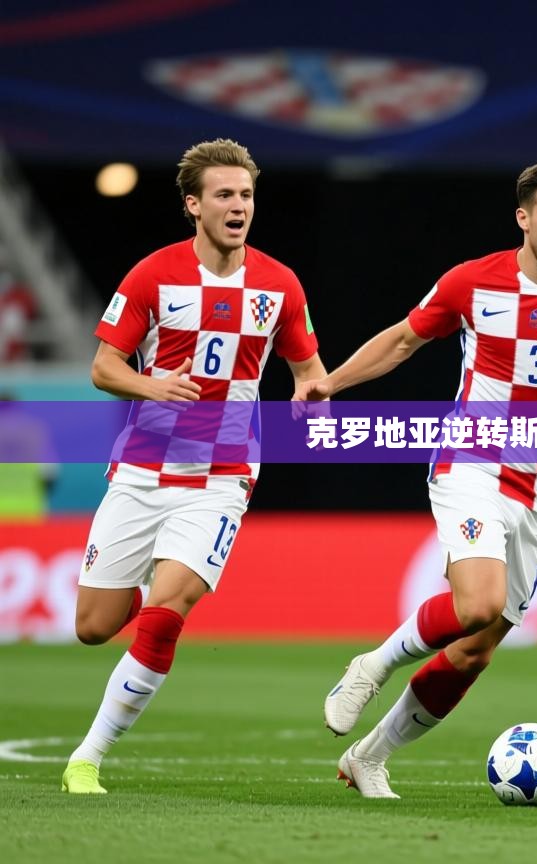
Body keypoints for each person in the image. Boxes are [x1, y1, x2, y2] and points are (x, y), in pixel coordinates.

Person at [293, 155, 537, 799]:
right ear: (523, 218)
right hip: (471, 460)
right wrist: (331, 383)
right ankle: (371, 665)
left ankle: (369, 758)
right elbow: (403, 339)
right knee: (476, 603)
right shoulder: (473, 281)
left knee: (477, 648)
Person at [60, 139, 326, 794]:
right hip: (142, 472)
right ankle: (148, 584)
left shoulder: (280, 284)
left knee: (166, 611)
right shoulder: (152, 275)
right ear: (193, 205)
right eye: (224, 195)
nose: (239, 207)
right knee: (93, 627)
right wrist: (152, 386)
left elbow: (308, 369)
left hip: (221, 479)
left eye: (246, 195)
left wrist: (311, 395)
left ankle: (87, 758)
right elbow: (104, 367)